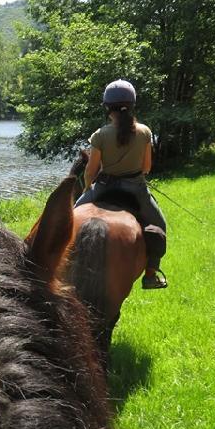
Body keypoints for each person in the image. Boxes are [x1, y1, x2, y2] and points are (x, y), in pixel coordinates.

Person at [75, 80, 168, 289]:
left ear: (107, 107)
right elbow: (146, 167)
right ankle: (151, 275)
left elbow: (91, 170)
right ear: (132, 105)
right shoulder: (144, 132)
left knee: (69, 219)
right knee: (160, 225)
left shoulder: (100, 135)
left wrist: (87, 187)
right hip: (136, 189)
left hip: (104, 187)